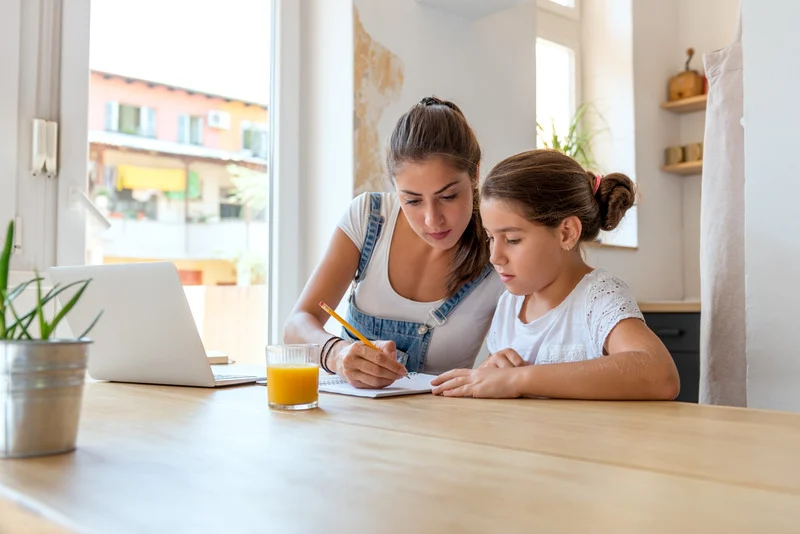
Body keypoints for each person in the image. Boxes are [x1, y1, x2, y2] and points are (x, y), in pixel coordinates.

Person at [284, 96, 503, 389]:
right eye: (412, 200)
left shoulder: (500, 246)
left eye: (448, 197)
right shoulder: (369, 217)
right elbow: (296, 324)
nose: (431, 219)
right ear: (394, 188)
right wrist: (337, 354)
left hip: (443, 427)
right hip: (350, 423)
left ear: (475, 174)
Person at [432, 149, 680, 400]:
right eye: (490, 238)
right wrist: (491, 371)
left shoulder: (598, 297)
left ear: (567, 233)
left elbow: (660, 375)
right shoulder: (510, 304)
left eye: (513, 239)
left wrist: (520, 379)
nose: (495, 256)